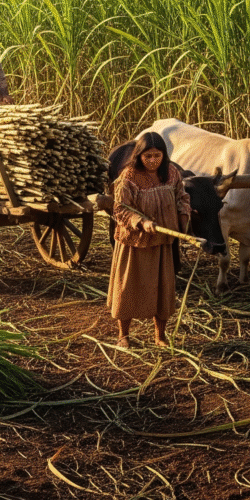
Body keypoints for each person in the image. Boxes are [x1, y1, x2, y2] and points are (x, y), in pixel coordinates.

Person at [107, 132, 191, 348]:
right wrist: (141, 222)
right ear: (139, 156)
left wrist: (183, 217)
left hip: (162, 242)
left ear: (164, 155)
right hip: (134, 243)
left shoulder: (171, 173)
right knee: (127, 289)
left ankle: (160, 336)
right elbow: (120, 209)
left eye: (157, 156)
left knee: (163, 290)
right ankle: (123, 335)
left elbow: (182, 197)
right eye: (148, 156)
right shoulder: (128, 177)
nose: (153, 160)